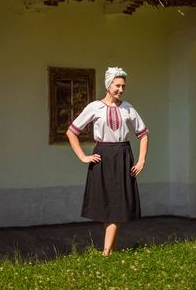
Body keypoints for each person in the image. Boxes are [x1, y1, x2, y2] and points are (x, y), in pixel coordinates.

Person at [66, 67, 149, 256]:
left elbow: (143, 135)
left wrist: (141, 160)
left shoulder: (128, 108)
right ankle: (111, 250)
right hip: (102, 155)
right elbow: (72, 131)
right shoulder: (95, 107)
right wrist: (82, 156)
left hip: (122, 155)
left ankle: (105, 253)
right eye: (117, 85)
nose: (121, 89)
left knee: (117, 203)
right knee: (107, 204)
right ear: (108, 85)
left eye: (123, 86)